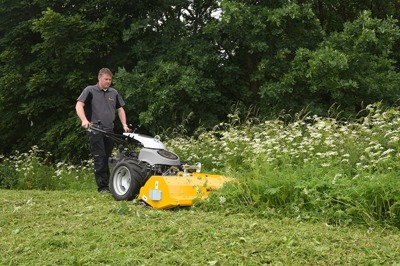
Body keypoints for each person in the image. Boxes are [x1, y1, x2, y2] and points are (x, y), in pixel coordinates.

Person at [75, 68, 131, 193]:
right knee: (100, 157)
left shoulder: (114, 93)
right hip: (95, 129)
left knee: (107, 158)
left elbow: (120, 109)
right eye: (106, 79)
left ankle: (110, 184)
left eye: (110, 80)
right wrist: (84, 120)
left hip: (109, 130)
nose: (108, 82)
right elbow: (79, 105)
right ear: (99, 78)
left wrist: (124, 124)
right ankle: (103, 187)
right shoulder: (90, 90)